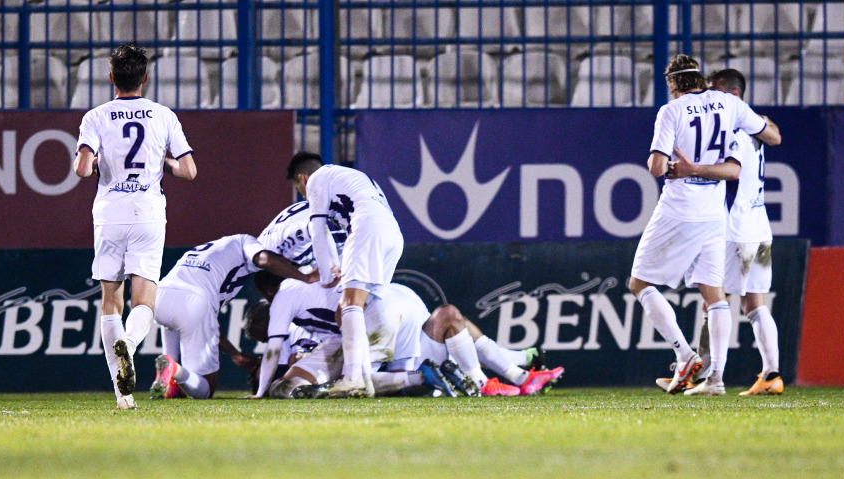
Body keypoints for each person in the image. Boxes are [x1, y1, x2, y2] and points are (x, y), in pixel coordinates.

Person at [628, 54, 780, 397]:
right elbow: (770, 135)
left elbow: (655, 167)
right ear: (699, 79)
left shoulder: (672, 110)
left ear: (672, 85)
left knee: (640, 283)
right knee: (720, 297)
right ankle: (718, 379)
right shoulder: (730, 105)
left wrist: (674, 166)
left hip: (682, 206)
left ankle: (685, 354)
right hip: (720, 215)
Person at [73, 42, 196, 410]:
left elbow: (81, 169)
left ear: (112, 78)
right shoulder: (163, 115)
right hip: (148, 211)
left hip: (110, 213)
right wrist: (168, 164)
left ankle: (122, 395)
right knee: (145, 298)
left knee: (111, 299)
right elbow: (189, 170)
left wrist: (94, 161)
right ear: (145, 78)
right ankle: (129, 343)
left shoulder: (95, 117)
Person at [247, 274, 562, 398]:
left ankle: (432, 380)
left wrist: (262, 387)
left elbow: (283, 356)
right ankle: (510, 375)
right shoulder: (319, 278)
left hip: (368, 320)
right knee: (449, 315)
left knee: (345, 381)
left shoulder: (286, 312)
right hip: (394, 299)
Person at [287, 152, 405, 398]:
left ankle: (352, 379)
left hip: (367, 227)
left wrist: (326, 280)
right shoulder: (350, 177)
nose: (303, 195)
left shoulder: (317, 179)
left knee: (349, 303)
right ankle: (364, 379)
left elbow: (317, 230)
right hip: (393, 234)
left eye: (299, 189)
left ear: (303, 178)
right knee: (350, 310)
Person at [148, 234, 318, 400]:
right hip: (194, 301)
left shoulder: (210, 250)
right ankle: (175, 370)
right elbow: (265, 259)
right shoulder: (245, 241)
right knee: (205, 389)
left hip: (160, 295)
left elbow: (208, 325)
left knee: (173, 326)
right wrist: (305, 277)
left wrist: (234, 354)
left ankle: (168, 379)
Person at [710, 68, 785, 396]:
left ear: (729, 93)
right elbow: (775, 135)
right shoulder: (755, 126)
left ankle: (709, 376)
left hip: (733, 228)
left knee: (714, 300)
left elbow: (731, 172)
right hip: (759, 226)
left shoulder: (732, 128)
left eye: (714, 91)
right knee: (755, 304)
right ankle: (772, 374)